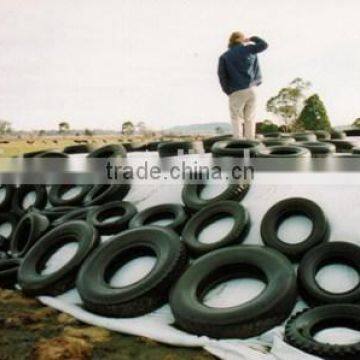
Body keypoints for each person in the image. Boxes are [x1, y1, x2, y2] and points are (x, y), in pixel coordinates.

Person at [218, 32, 268, 139]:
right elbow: (264, 45)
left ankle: (239, 144)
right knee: (250, 118)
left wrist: (228, 91)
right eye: (243, 37)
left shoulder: (224, 56)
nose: (245, 38)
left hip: (236, 90)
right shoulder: (249, 49)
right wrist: (252, 38)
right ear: (238, 39)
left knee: (236, 118)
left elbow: (222, 76)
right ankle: (250, 143)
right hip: (252, 88)